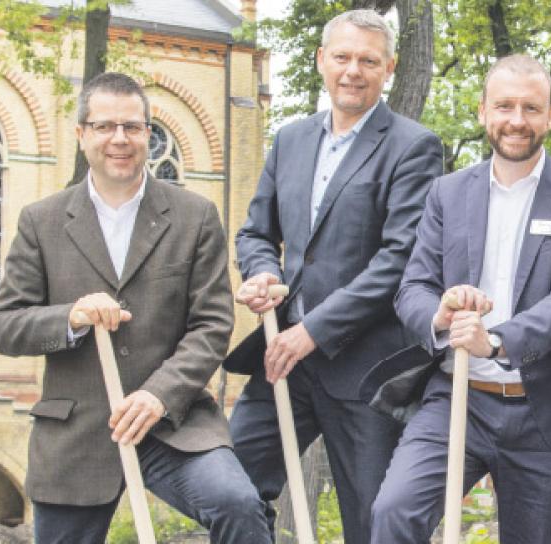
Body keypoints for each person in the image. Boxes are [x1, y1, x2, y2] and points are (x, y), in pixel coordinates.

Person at [0, 72, 269, 543]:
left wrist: (159, 394)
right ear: (81, 135)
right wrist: (70, 317)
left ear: (147, 133)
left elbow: (213, 324)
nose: (120, 138)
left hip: (172, 424)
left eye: (133, 127)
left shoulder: (194, 216)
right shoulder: (43, 221)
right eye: (104, 126)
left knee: (238, 504)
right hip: (74, 432)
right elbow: (4, 325)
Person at [368, 54, 551, 543]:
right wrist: (440, 314)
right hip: (457, 400)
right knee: (394, 512)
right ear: (484, 111)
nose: (516, 120)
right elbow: (413, 288)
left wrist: (497, 341)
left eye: (531, 108)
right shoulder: (447, 192)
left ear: (550, 116)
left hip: (544, 406)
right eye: (504, 106)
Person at [225, 9, 443, 542]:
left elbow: (398, 260)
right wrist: (262, 274)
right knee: (227, 490)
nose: (353, 70)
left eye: (368, 61)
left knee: (371, 523)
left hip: (366, 371)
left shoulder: (413, 146)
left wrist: (313, 331)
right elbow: (255, 233)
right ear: (322, 60)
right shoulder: (290, 140)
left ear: (388, 68)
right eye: (342, 57)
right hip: (283, 360)